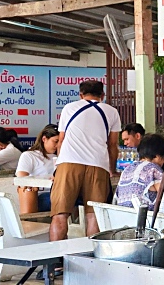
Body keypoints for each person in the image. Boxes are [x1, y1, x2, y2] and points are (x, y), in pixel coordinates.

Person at [51, 80, 120, 240]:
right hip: (98, 165)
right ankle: (91, 260)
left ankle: (55, 261)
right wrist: (112, 169)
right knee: (93, 215)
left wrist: (59, 168)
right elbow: (112, 144)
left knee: (60, 214)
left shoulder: (69, 108)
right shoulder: (111, 112)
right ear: (102, 95)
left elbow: (61, 140)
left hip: (68, 163)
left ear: (80, 95)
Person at [15, 125, 61, 214]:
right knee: (63, 200)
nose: (57, 145)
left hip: (57, 192)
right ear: (44, 139)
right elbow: (22, 178)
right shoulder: (29, 155)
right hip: (39, 195)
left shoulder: (59, 157)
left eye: (60, 142)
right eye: (55, 141)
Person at [115, 134, 164, 208]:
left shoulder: (127, 169)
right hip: (144, 217)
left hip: (123, 215)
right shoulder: (154, 169)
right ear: (158, 156)